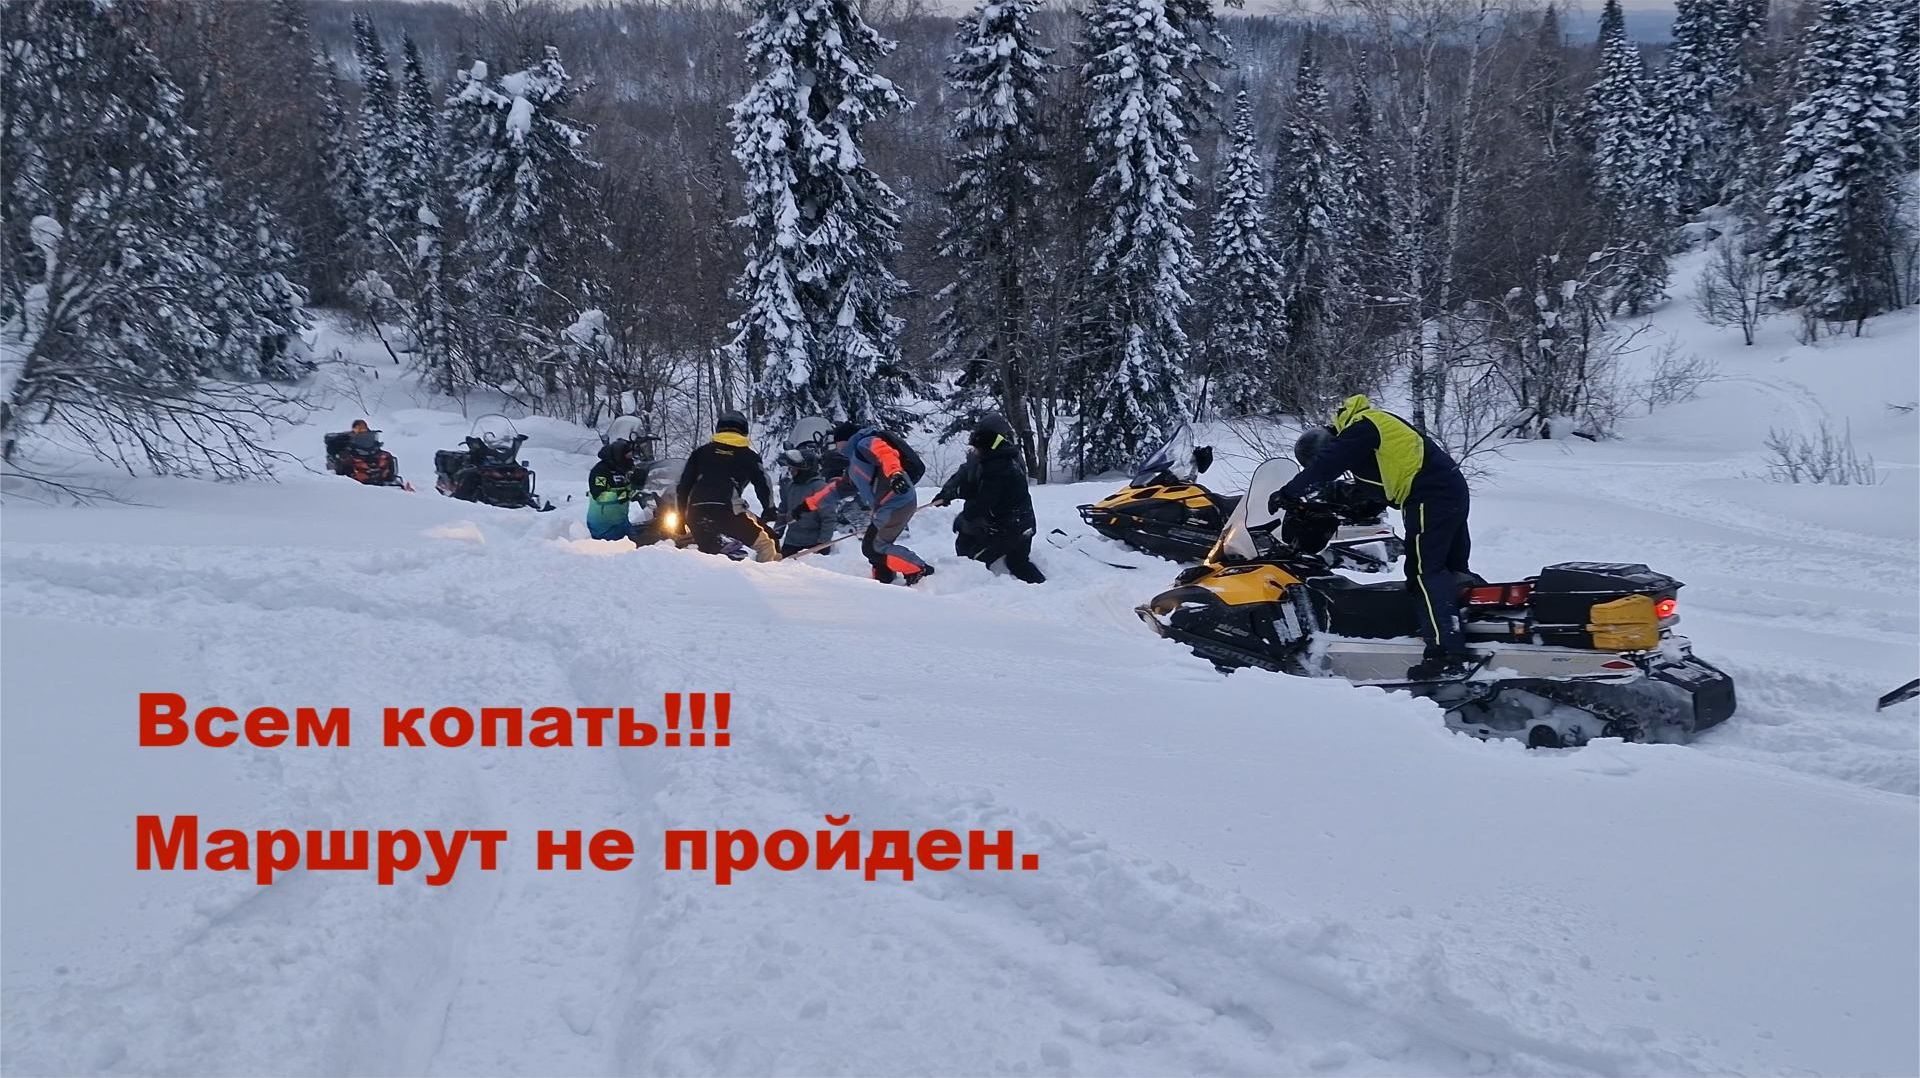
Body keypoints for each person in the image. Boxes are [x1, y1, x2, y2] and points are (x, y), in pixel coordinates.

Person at [1278, 394, 1473, 679]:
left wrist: (1289, 492)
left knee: (1424, 572)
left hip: (1430, 495)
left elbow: (1326, 466)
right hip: (1447, 491)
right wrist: (1347, 507)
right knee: (1452, 570)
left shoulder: (1363, 426)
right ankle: (1471, 627)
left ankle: (1446, 655)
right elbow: (1376, 489)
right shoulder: (1374, 434)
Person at [800, 422, 933, 584]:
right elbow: (838, 489)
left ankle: (918, 569)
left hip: (898, 502)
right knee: (875, 545)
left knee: (874, 547)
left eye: (837, 442)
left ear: (844, 440)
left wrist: (895, 474)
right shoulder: (854, 465)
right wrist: (808, 505)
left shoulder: (865, 442)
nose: (836, 447)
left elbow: (886, 454)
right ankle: (884, 579)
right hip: (887, 506)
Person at [931, 413, 1044, 584]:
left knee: (972, 561)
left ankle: (981, 592)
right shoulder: (996, 457)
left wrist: (963, 517)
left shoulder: (999, 467)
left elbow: (982, 504)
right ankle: (1040, 586)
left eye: (977, 445)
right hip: (1024, 523)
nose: (974, 450)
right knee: (1017, 562)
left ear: (987, 442)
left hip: (1012, 528)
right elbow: (965, 474)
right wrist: (948, 492)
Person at [675, 410, 779, 562]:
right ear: (744, 430)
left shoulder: (700, 453)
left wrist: (680, 518)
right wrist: (769, 509)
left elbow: (683, 487)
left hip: (696, 513)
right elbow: (763, 483)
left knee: (709, 555)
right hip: (727, 512)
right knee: (766, 545)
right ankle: (764, 575)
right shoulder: (748, 455)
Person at [775, 443, 834, 556]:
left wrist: (823, 543)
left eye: (794, 469)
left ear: (805, 469)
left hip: (813, 543)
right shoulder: (791, 486)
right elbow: (783, 510)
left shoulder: (819, 487)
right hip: (791, 541)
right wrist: (777, 532)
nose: (791, 471)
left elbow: (828, 518)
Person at [587, 437, 648, 542]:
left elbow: (628, 489)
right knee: (631, 548)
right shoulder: (600, 472)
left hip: (621, 522)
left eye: (631, 456)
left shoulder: (622, 469)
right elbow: (600, 497)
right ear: (618, 455)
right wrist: (628, 493)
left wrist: (641, 490)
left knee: (646, 542)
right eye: (627, 456)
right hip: (604, 527)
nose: (630, 459)